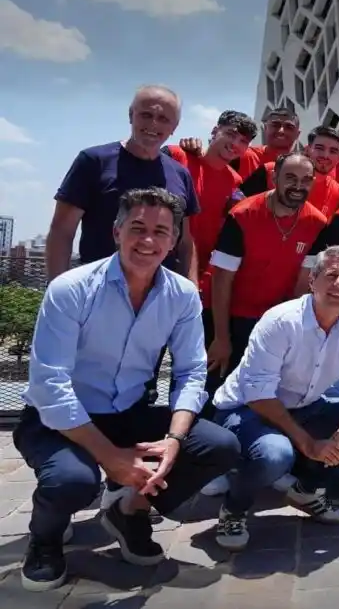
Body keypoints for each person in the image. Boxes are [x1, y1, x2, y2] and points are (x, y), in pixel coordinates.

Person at [15, 188, 239, 591]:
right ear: (116, 231)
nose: (148, 241)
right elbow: (50, 385)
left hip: (129, 411)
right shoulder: (71, 288)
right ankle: (45, 539)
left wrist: (174, 438)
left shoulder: (182, 295)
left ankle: (130, 511)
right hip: (59, 419)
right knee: (73, 481)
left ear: (173, 242)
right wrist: (111, 458)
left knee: (218, 446)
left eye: (160, 231)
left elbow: (190, 372)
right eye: (137, 228)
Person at [210, 246, 339, 551]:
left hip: (303, 406)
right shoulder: (281, 321)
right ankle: (233, 509)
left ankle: (306, 490)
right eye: (332, 275)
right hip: (247, 410)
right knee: (276, 454)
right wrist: (307, 443)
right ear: (312, 281)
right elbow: (259, 395)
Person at [206, 153, 328, 408]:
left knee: (260, 396)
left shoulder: (317, 222)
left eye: (306, 180)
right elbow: (221, 280)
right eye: (290, 178)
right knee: (216, 394)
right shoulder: (243, 215)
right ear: (275, 178)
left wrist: (291, 335)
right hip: (229, 315)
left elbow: (301, 284)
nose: (298, 186)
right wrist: (222, 337)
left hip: (272, 320)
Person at [46, 85, 200, 283]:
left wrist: (191, 289)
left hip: (159, 299)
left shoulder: (181, 174)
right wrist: (57, 292)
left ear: (174, 128)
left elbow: (186, 243)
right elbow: (62, 231)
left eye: (163, 119)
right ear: (131, 116)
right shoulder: (94, 161)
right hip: (98, 290)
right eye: (146, 115)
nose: (153, 124)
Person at [165, 111, 258, 342]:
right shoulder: (177, 155)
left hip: (198, 279)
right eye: (231, 134)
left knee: (185, 351)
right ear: (215, 131)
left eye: (243, 141)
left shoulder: (235, 181)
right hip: (161, 264)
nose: (235, 144)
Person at [239, 126, 339, 218]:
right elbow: (238, 207)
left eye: (333, 151)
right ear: (307, 149)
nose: (325, 155)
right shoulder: (270, 170)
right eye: (319, 148)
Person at [237, 108, 302, 179]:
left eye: (289, 127)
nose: (281, 131)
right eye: (275, 125)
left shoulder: (304, 164)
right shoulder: (244, 156)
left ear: (297, 134)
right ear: (265, 128)